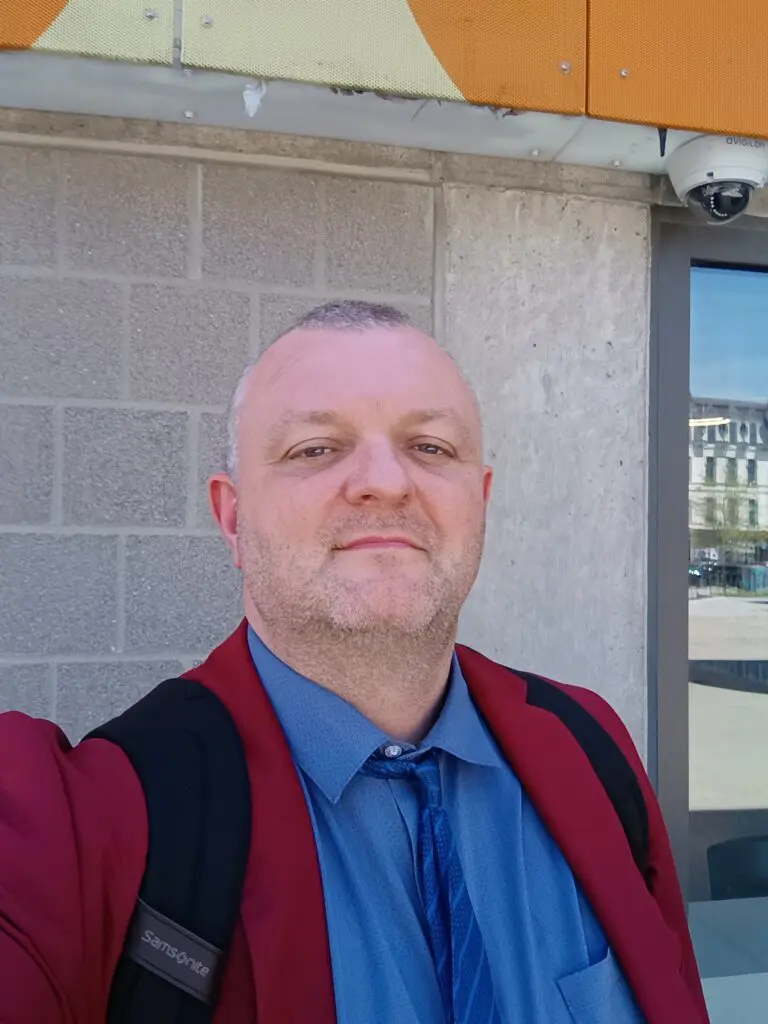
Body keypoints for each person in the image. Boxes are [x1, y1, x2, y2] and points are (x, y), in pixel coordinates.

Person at [0, 300, 708, 1023]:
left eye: (430, 447)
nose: (387, 482)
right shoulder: (92, 818)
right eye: (316, 448)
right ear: (234, 519)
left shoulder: (589, 748)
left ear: (481, 502)